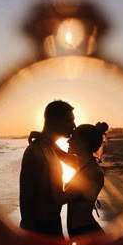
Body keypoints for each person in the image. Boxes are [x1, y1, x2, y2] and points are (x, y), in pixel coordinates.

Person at [19, 100, 75, 237]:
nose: (74, 126)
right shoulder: (35, 151)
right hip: (41, 229)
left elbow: (77, 162)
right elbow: (26, 196)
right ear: (56, 121)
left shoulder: (51, 148)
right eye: (69, 121)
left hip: (53, 223)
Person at [65, 124, 107, 237]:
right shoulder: (82, 164)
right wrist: (42, 140)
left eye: (73, 137)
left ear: (84, 143)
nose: (68, 141)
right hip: (81, 231)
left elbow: (61, 198)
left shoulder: (91, 172)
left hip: (86, 233)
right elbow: (58, 155)